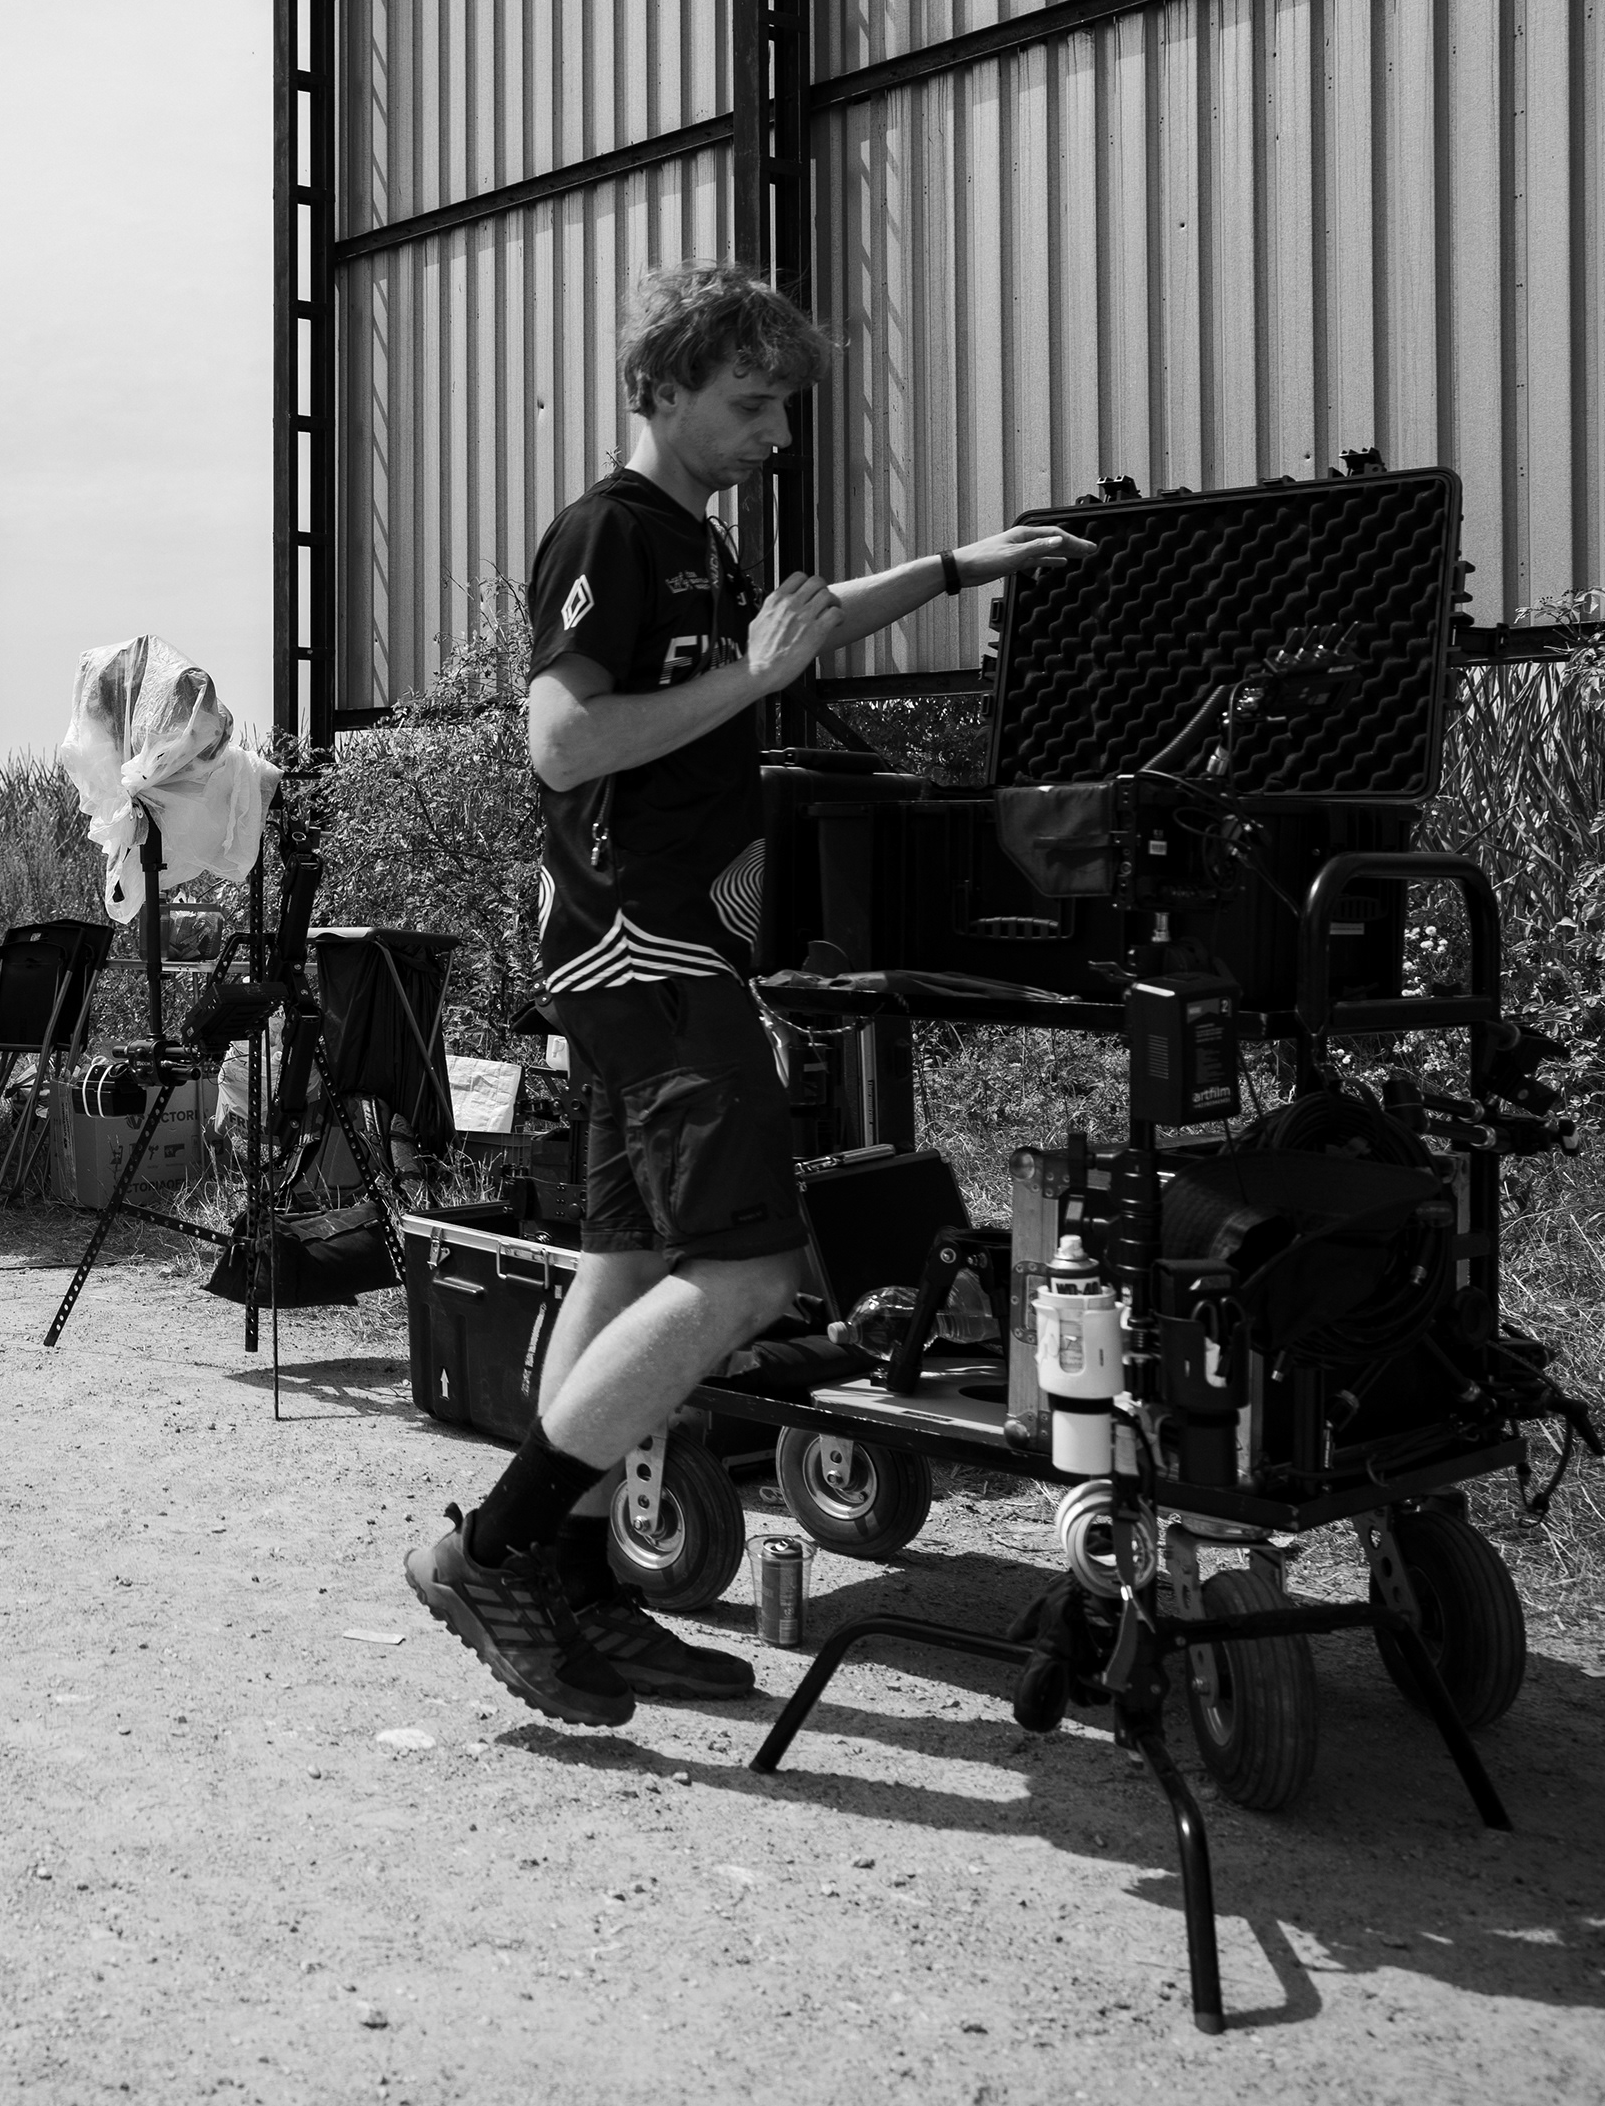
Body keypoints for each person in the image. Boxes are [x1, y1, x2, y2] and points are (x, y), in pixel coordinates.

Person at [403, 263, 1096, 1728]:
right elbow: (563, 743)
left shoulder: (701, 546)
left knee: (622, 1266)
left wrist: (964, 567)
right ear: (659, 388)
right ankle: (494, 1551)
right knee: (753, 1272)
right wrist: (752, 680)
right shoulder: (611, 530)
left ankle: (572, 1570)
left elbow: (811, 622)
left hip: (659, 955)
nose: (775, 431)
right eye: (749, 401)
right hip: (641, 947)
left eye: (785, 405)